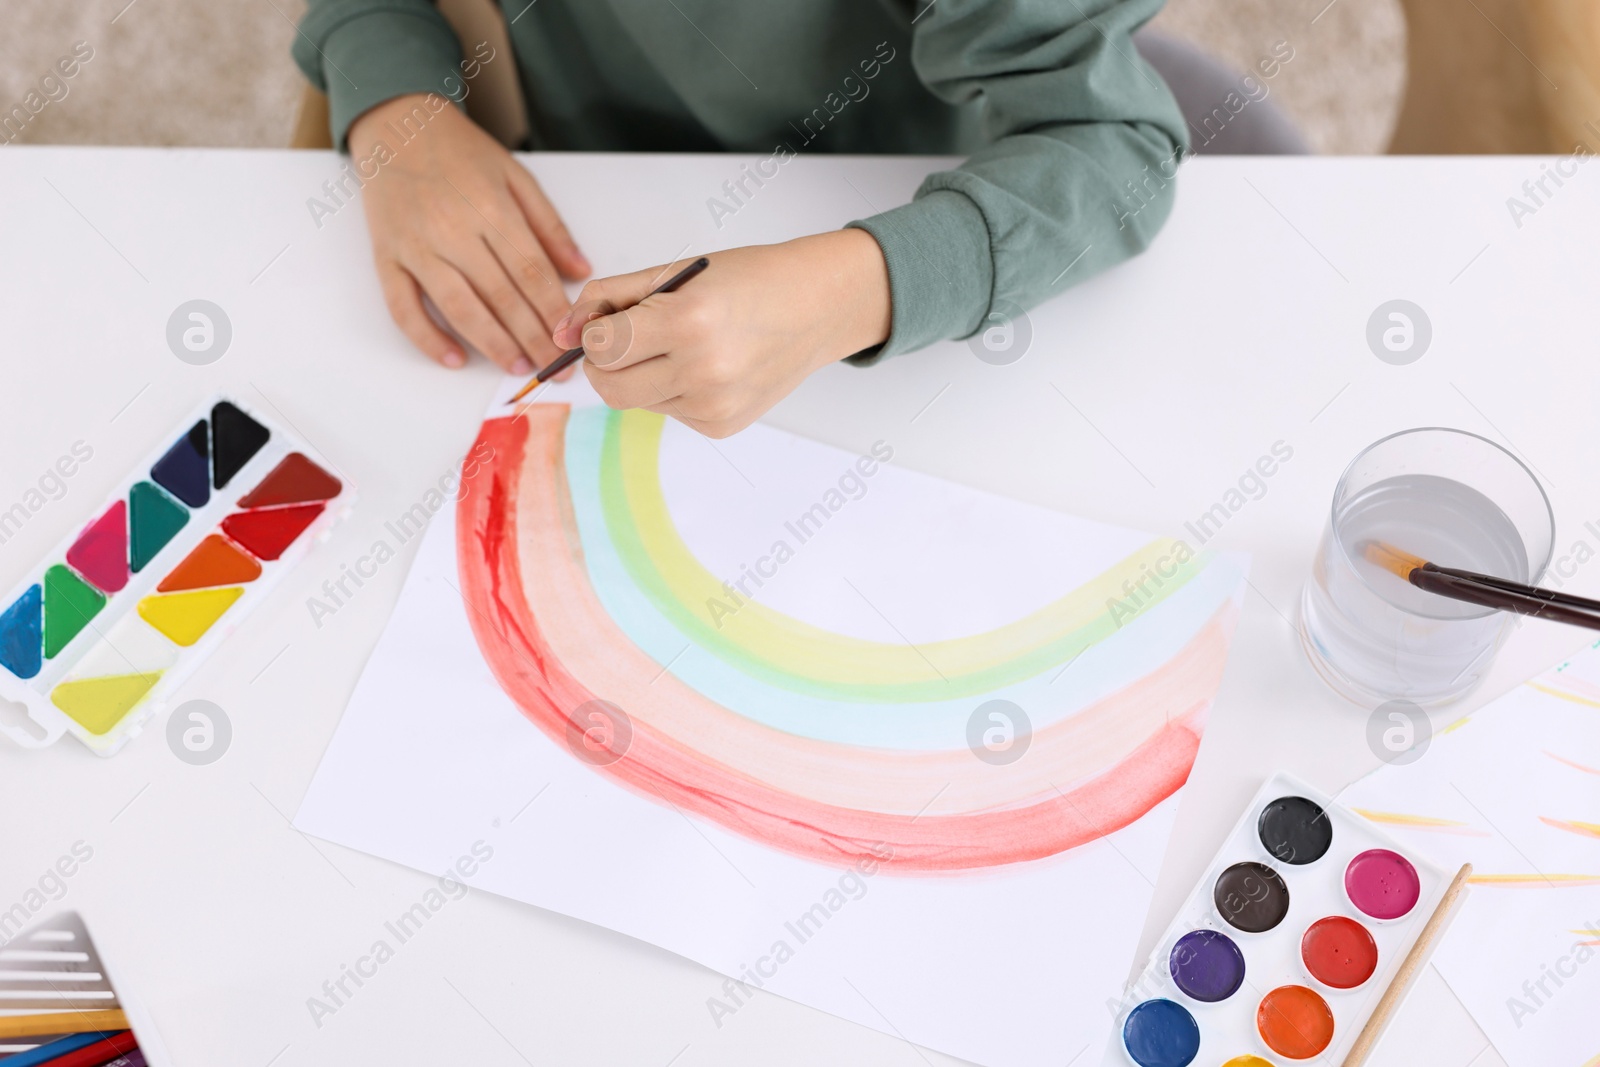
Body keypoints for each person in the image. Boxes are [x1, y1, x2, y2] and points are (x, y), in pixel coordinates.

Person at [293, 0, 1185, 437]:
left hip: (873, 175)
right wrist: (390, 92)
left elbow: (1113, 146)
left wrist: (852, 289)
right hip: (556, 148)